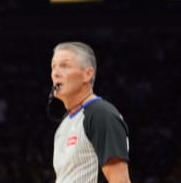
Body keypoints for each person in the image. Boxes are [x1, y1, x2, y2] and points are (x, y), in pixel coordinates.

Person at [50, 41, 131, 183]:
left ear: (87, 74)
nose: (55, 73)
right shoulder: (65, 123)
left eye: (64, 66)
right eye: (53, 67)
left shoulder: (101, 114)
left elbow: (120, 180)